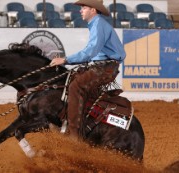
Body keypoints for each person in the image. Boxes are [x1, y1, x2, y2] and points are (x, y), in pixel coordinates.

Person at [50, 0, 126, 140]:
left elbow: (89, 52)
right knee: (71, 81)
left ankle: (74, 134)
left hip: (105, 68)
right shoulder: (97, 24)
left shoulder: (98, 24)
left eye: (84, 8)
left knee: (76, 87)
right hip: (103, 66)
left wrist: (65, 60)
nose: (80, 11)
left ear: (93, 10)